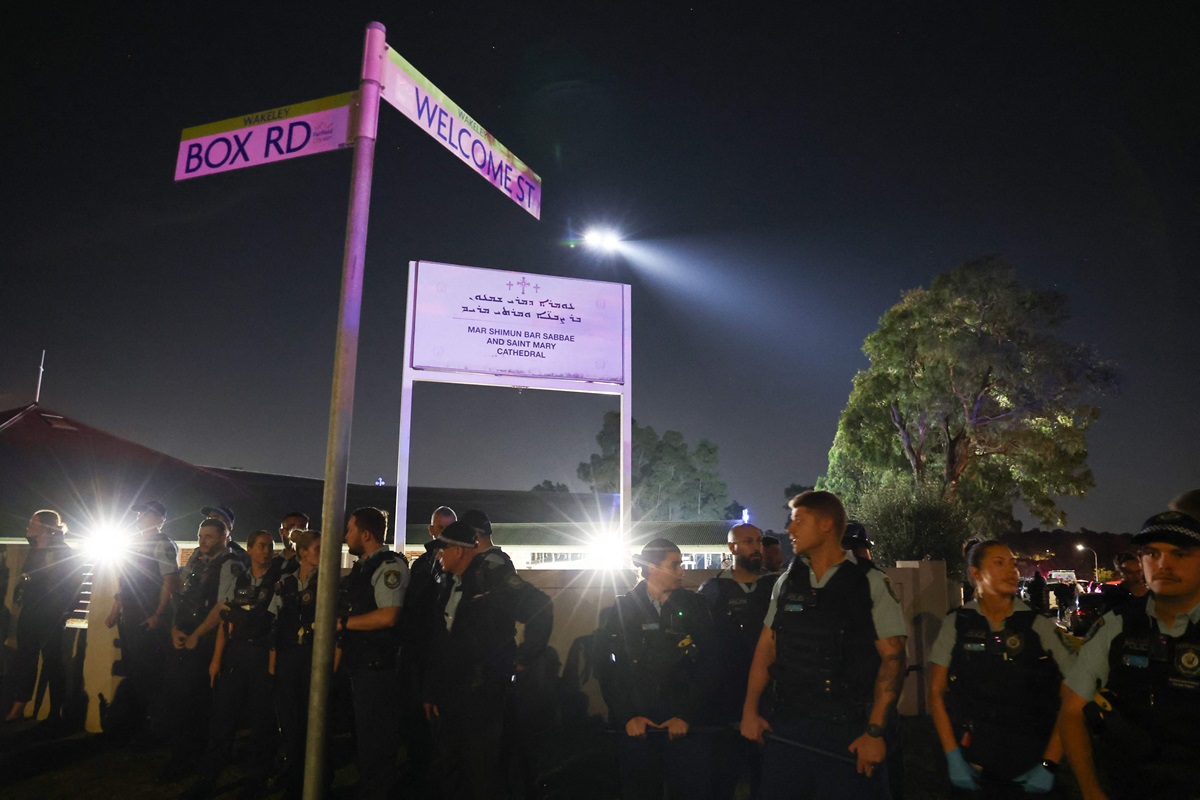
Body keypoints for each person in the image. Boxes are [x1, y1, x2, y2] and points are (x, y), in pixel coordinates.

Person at [741, 490, 907, 800]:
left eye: (799, 521)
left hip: (847, 730)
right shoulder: (786, 582)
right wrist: (750, 710)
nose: (790, 529)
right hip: (789, 726)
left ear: (827, 525)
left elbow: (894, 659)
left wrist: (874, 732)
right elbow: (766, 648)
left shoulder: (869, 582)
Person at [1059, 510, 1200, 799]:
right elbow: (1071, 711)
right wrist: (1091, 790)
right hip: (1130, 786)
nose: (1163, 564)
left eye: (1179, 553)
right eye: (1152, 553)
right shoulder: (1116, 626)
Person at [929, 541, 1075, 797]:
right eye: (999, 563)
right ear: (975, 573)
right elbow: (935, 691)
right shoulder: (958, 623)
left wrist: (1049, 763)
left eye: (1013, 564)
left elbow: (1074, 693)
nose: (1012, 571)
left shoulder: (1037, 624)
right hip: (974, 760)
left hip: (1030, 758)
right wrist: (952, 756)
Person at [426, 519, 553, 800]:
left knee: (482, 774)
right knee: (450, 770)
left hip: (483, 695)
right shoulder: (448, 583)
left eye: (442, 549)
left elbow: (540, 606)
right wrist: (432, 691)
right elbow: (442, 641)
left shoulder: (492, 579)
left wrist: (525, 656)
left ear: (459, 551)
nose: (438, 555)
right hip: (452, 695)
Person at [599, 538, 718, 800]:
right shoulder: (623, 607)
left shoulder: (695, 605)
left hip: (685, 725)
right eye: (674, 565)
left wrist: (686, 715)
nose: (682, 571)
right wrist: (628, 716)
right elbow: (607, 667)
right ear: (652, 567)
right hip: (638, 726)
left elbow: (710, 663)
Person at [183, 530, 282, 800]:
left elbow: (277, 626)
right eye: (261, 546)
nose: (266, 551)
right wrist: (216, 660)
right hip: (235, 655)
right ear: (249, 549)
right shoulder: (239, 580)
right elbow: (225, 622)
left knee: (261, 723)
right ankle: (208, 778)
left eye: (269, 547)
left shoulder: (278, 582)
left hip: (261, 655)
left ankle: (257, 779)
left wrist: (272, 665)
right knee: (222, 719)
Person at [159, 516, 242, 779]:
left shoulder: (231, 564)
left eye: (208, 536)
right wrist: (174, 628)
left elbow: (223, 606)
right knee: (179, 700)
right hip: (185, 636)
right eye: (200, 536)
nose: (202, 541)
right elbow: (182, 597)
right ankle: (181, 754)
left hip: (206, 640)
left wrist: (197, 634)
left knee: (198, 703)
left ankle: (192, 758)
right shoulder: (195, 559)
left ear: (223, 537)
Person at [336, 507, 409, 800]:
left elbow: (389, 615)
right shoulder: (364, 567)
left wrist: (343, 623)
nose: (346, 535)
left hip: (378, 669)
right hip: (361, 665)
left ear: (366, 534)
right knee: (364, 739)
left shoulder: (389, 566)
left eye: (350, 530)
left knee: (377, 741)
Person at [699, 523, 773, 799]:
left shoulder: (775, 586)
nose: (756, 547)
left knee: (767, 773)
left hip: (769, 695)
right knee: (724, 771)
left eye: (759, 541)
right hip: (726, 697)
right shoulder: (713, 589)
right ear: (732, 547)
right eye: (749, 541)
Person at [104, 499, 180, 737]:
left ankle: (154, 728)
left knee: (150, 673)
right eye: (140, 514)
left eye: (146, 514)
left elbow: (169, 581)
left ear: (159, 519)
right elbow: (126, 582)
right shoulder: (133, 544)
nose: (140, 517)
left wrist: (158, 614)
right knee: (135, 672)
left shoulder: (163, 544)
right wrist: (116, 609)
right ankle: (136, 725)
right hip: (131, 615)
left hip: (147, 616)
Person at [6, 510, 84, 724]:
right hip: (31, 612)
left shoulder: (64, 552)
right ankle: (19, 706)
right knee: (25, 658)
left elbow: (75, 586)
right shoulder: (34, 551)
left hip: (51, 615)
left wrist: (63, 612)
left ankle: (54, 712)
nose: (28, 526)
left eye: (33, 523)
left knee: (52, 662)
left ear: (46, 528)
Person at [398, 505, 455, 793]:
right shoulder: (423, 564)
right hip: (417, 652)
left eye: (449, 528)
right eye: (440, 528)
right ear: (432, 529)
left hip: (441, 653)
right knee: (415, 720)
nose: (443, 534)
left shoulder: (456, 564)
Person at [269, 530, 323, 800]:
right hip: (289, 658)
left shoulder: (327, 581)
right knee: (290, 720)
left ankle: (317, 780)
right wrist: (273, 660)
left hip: (315, 658)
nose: (323, 554)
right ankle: (292, 778)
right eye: (317, 549)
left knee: (314, 721)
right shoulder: (286, 582)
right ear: (303, 552)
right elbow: (275, 620)